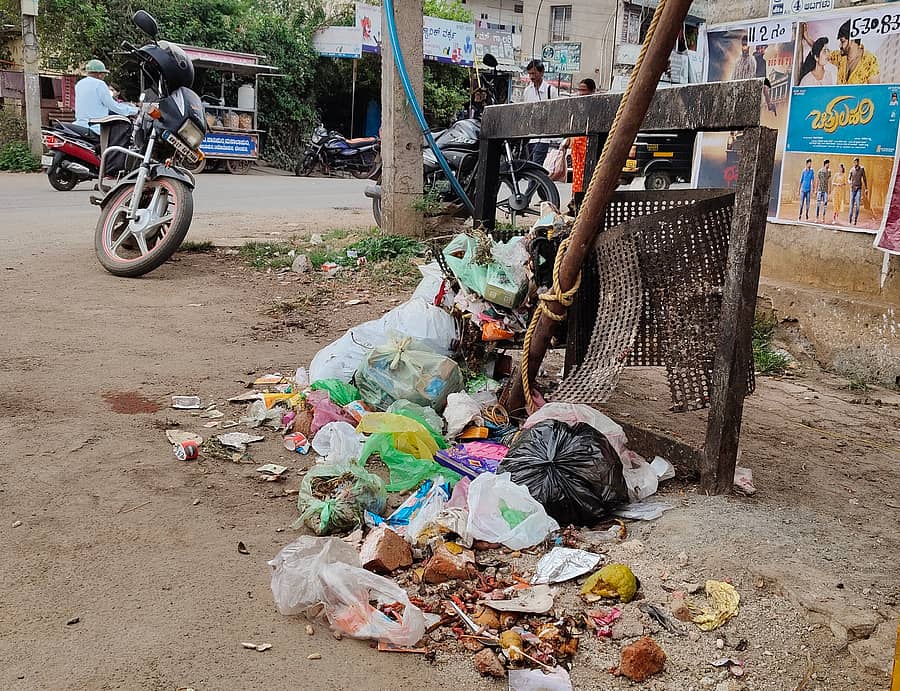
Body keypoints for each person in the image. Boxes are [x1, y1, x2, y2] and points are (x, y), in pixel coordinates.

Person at [559, 78, 596, 215]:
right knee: (577, 178)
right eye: (579, 90)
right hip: (577, 146)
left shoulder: (596, 106)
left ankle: (583, 204)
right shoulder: (577, 105)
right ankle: (575, 202)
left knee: (587, 177)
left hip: (589, 146)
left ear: (592, 91)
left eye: (584, 90)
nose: (581, 93)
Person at [74, 59, 137, 134]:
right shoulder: (100, 84)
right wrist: (135, 111)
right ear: (99, 74)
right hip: (96, 128)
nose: (104, 76)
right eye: (104, 74)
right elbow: (113, 106)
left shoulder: (79, 84)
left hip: (79, 126)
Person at [522, 59, 559, 165]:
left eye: (534, 73)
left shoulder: (550, 90)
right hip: (530, 136)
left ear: (542, 72)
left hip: (544, 137)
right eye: (529, 74)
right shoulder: (527, 90)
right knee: (528, 166)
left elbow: (556, 113)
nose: (531, 77)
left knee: (536, 166)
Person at [848, 157, 868, 225]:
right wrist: (849, 182)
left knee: (858, 205)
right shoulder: (851, 169)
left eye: (856, 162)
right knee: (851, 205)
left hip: (858, 188)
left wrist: (866, 188)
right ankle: (850, 220)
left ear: (858, 162)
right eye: (854, 162)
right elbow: (848, 178)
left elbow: (864, 178)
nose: (855, 163)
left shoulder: (862, 169)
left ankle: (855, 220)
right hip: (852, 189)